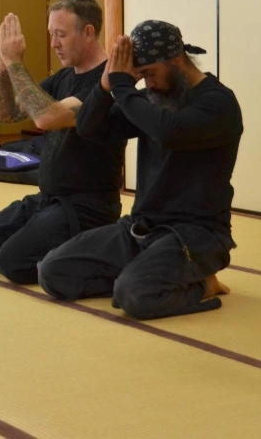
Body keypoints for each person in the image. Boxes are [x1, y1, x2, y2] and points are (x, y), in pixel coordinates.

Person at [37, 20, 242, 319]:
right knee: (52, 271)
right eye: (140, 77)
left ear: (174, 60)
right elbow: (89, 127)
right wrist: (106, 85)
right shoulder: (150, 99)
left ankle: (202, 284)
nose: (147, 85)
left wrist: (123, 87)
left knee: (134, 296)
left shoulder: (217, 102)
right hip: (142, 227)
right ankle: (139, 275)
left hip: (196, 234)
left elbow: (169, 132)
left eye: (149, 74)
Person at [0, 0, 126, 284]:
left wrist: (16, 64)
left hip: (85, 207)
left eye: (60, 35)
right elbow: (6, 114)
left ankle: (93, 251)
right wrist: (2, 65)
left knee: (11, 262)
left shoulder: (108, 82)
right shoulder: (63, 78)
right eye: (51, 34)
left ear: (88, 32)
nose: (54, 44)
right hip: (47, 199)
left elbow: (47, 117)